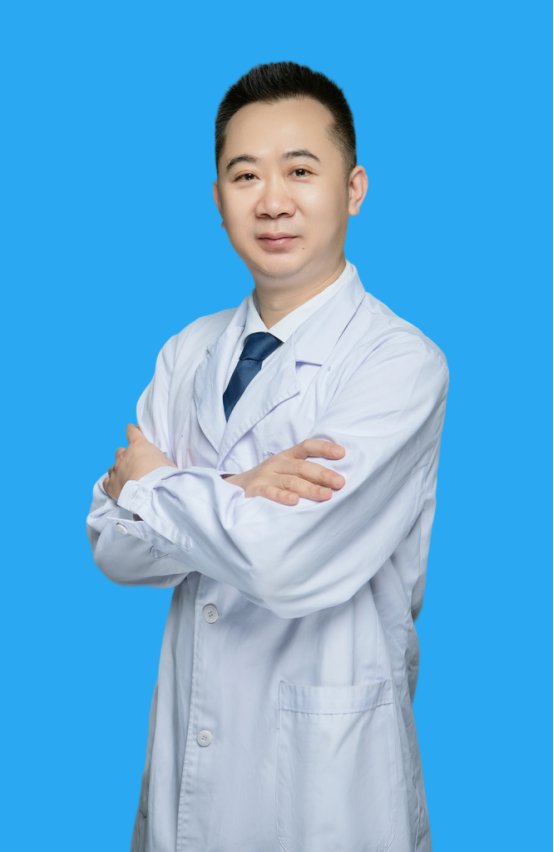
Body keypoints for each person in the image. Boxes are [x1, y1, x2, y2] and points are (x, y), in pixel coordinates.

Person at [87, 61, 449, 852]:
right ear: (218, 199)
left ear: (353, 188)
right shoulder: (188, 351)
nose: (273, 201)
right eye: (245, 174)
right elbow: (111, 545)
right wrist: (237, 487)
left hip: (329, 781)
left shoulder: (398, 362)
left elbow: (285, 562)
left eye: (301, 171)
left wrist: (160, 487)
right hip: (189, 764)